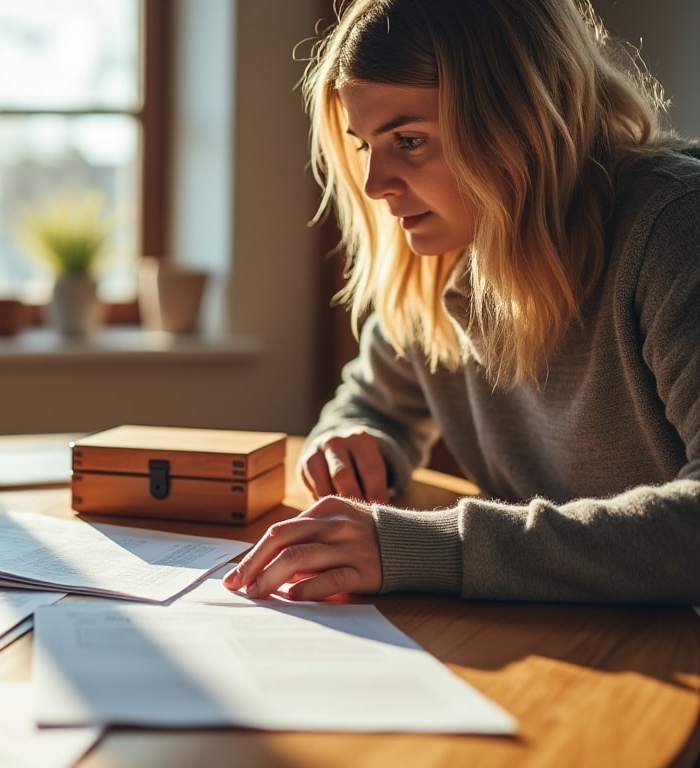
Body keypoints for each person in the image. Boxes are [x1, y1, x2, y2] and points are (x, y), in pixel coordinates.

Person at [224, 0, 700, 604]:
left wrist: (433, 546)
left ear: (517, 119)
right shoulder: (453, 254)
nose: (375, 185)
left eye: (410, 139)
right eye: (367, 145)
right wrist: (353, 444)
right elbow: (372, 407)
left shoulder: (676, 228)